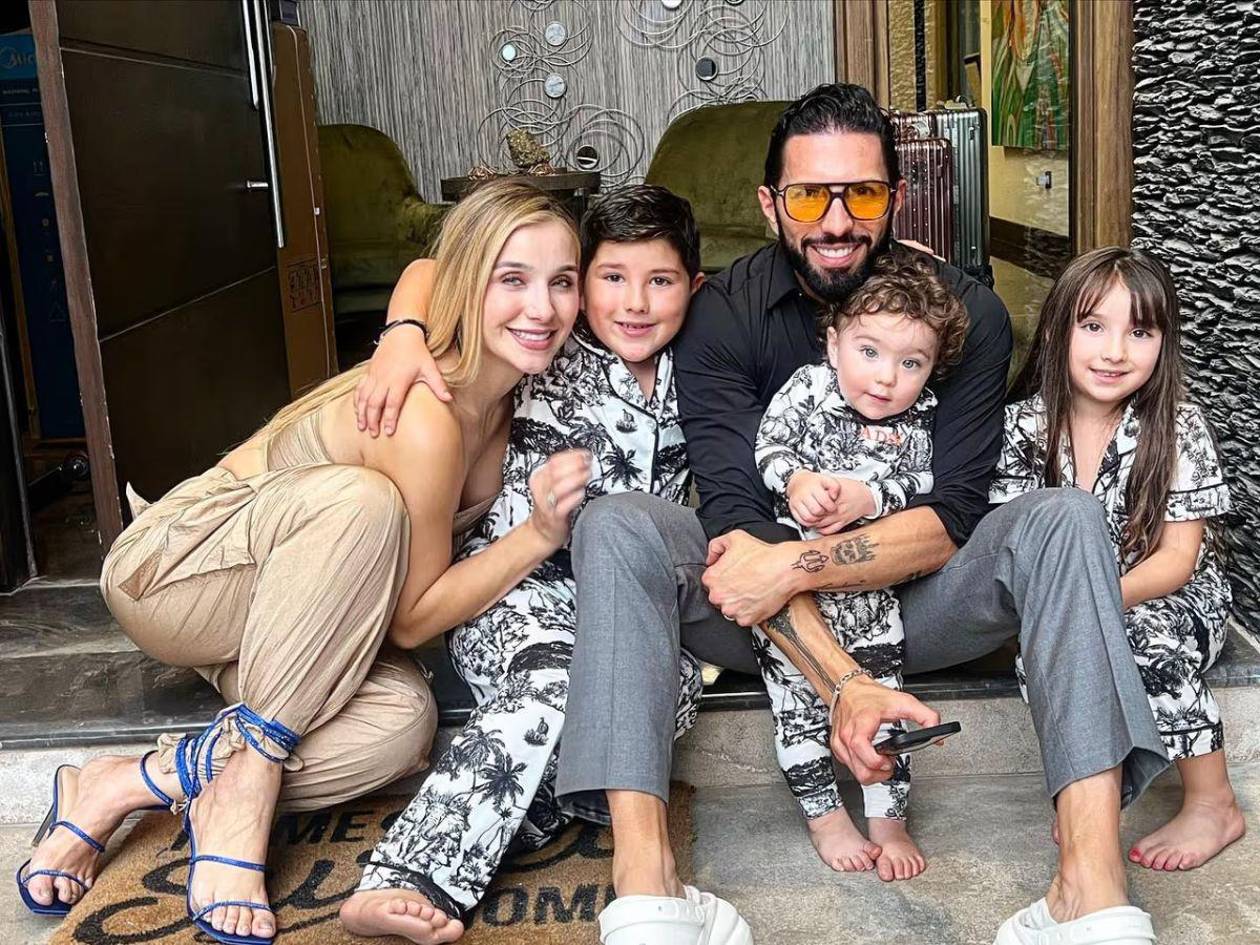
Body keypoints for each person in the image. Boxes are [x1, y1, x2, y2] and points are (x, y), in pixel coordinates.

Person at [549, 83, 1166, 945]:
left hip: (918, 607)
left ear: (897, 197)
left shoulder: (969, 313)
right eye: (810, 196)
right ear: (770, 203)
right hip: (759, 616)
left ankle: (1091, 894)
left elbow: (951, 516)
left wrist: (798, 563)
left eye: (862, 193)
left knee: (1064, 517)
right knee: (617, 521)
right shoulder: (722, 313)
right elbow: (735, 522)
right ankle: (647, 892)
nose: (837, 221)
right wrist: (843, 678)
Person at [15, 181, 585, 945]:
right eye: (511, 279)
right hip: (179, 570)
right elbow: (412, 621)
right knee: (364, 502)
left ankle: (129, 780)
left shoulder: (517, 393)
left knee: (401, 725)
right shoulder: (425, 412)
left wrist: (402, 325)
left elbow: (427, 269)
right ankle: (245, 785)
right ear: (469, 283)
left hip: (299, 620)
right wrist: (537, 535)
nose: (542, 308)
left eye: (562, 281)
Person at [341, 185, 751, 945]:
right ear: (580, 286)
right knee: (558, 680)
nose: (634, 304)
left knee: (669, 691)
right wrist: (399, 333)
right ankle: (404, 876)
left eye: (659, 282)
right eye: (610, 278)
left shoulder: (701, 366)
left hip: (631, 607)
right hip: (515, 593)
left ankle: (530, 814)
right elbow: (439, 270)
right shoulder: (548, 345)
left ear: (693, 289)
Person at [990, 246, 1245, 873]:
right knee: (1054, 645)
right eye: (1093, 326)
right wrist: (1070, 610)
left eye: (1139, 332)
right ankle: (1088, 788)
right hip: (1059, 599)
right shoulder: (1022, 427)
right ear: (1057, 330)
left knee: (1135, 633)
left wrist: (1093, 606)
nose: (1114, 351)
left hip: (1172, 596)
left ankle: (1212, 800)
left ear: (1163, 343)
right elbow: (1010, 542)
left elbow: (1178, 559)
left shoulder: (1176, 425)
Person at [752, 252, 968, 879]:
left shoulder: (920, 414)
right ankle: (825, 818)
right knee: (796, 712)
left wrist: (870, 497)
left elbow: (923, 482)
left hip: (874, 598)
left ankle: (889, 822)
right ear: (833, 343)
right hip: (794, 603)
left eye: (911, 363)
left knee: (887, 705)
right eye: (869, 352)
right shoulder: (808, 388)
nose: (886, 377)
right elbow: (769, 445)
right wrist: (796, 481)